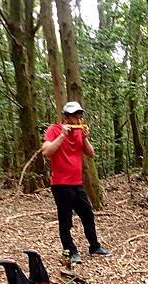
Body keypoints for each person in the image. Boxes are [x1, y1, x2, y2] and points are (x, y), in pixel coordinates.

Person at [42, 101, 111, 264]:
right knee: (65, 220)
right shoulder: (54, 130)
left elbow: (91, 153)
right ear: (65, 117)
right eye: (75, 115)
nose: (79, 119)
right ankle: (70, 251)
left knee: (88, 214)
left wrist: (85, 138)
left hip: (77, 183)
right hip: (60, 184)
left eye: (80, 115)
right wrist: (62, 135)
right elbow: (46, 152)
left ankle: (94, 246)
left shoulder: (80, 133)